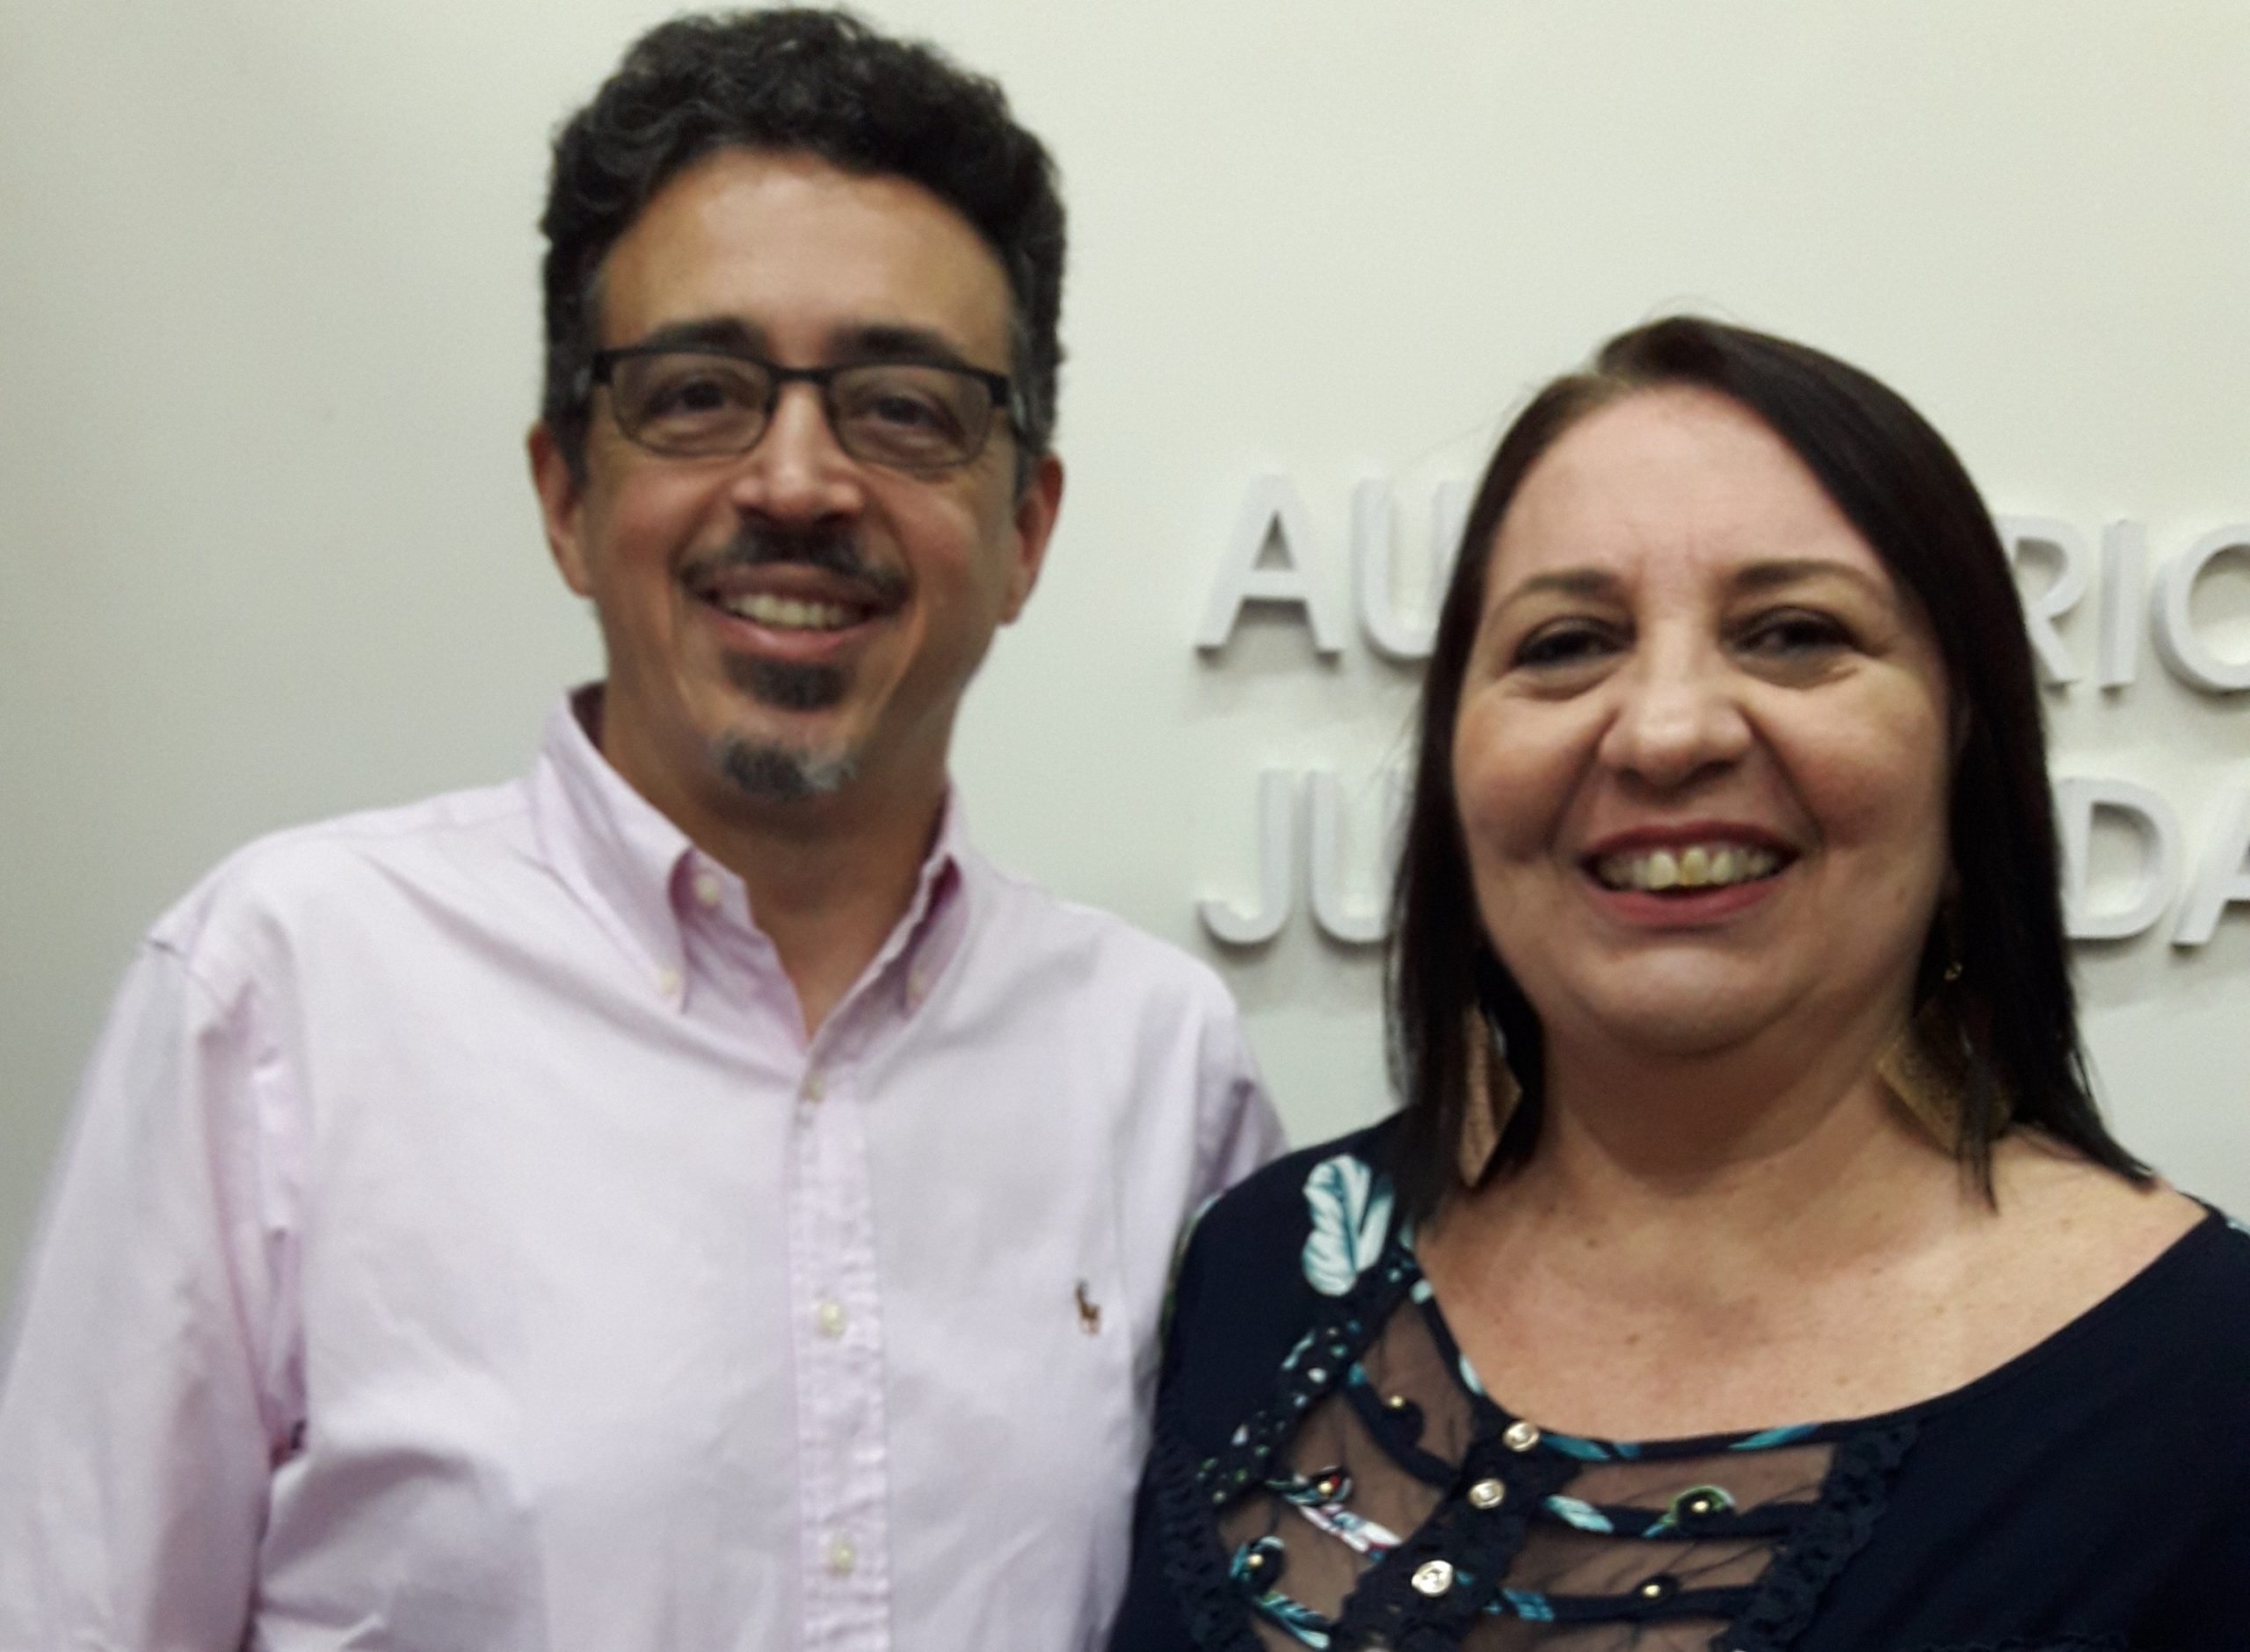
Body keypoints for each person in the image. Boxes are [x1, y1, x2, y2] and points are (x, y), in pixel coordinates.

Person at [0, 11, 1281, 1648]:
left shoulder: (1165, 1073)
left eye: (902, 408)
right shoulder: (279, 998)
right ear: (565, 497)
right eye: (699, 395)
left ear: (1025, 527)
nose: (799, 482)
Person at [1111, 317, 2250, 1649]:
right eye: (1565, 643)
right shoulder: (1266, 1261)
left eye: (1793, 633)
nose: (1665, 731)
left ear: (1964, 755)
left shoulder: (2206, 1385)